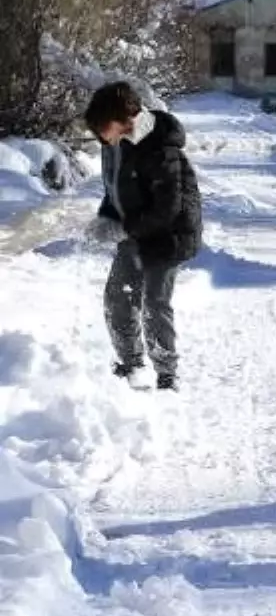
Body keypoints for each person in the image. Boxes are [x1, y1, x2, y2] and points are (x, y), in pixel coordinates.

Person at [83, 81, 203, 392]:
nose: (98, 134)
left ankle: (167, 376)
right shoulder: (113, 145)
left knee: (154, 301)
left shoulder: (161, 147)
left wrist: (126, 227)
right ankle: (131, 368)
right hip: (135, 231)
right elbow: (115, 192)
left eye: (101, 125)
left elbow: (168, 208)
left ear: (124, 118)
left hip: (169, 234)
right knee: (117, 298)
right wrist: (107, 217)